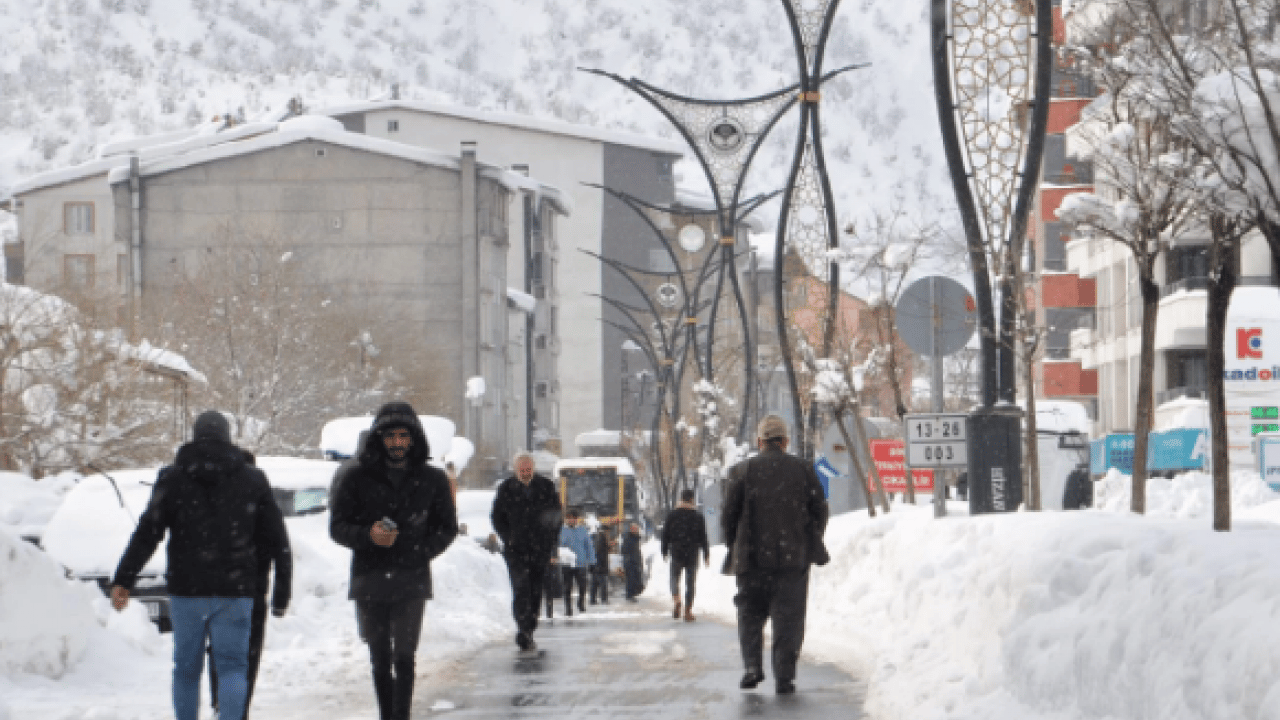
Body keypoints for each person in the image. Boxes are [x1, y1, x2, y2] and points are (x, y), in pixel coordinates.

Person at [110, 410, 291, 720]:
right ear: (228, 438)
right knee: (233, 666)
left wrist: (123, 579)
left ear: (194, 437)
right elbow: (278, 540)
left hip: (187, 590)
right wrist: (281, 594)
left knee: (186, 669)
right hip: (235, 590)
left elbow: (147, 532)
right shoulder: (252, 479)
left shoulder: (172, 477)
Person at [329, 402, 458, 720]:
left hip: (411, 577)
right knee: (379, 657)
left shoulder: (432, 479)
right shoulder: (356, 477)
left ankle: (401, 715)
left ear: (414, 438)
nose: (397, 443)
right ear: (379, 438)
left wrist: (423, 549)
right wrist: (367, 535)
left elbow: (447, 527)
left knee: (404, 655)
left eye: (403, 436)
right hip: (370, 576)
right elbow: (337, 526)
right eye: (391, 436)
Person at [722, 414, 829, 696]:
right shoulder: (803, 470)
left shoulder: (741, 471)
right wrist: (808, 538)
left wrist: (734, 544)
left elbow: (728, 517)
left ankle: (752, 668)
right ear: (785, 441)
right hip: (792, 561)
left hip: (752, 559)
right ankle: (784, 677)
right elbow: (820, 509)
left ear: (760, 442)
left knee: (750, 614)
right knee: (789, 619)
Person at [207, 449, 292, 720]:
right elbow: (282, 551)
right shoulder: (262, 502)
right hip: (251, 594)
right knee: (245, 655)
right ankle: (235, 709)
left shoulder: (215, 504)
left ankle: (223, 705)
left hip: (219, 593)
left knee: (221, 652)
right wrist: (281, 597)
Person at [490, 452, 563, 651]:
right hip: (516, 550)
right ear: (516, 470)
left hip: (540, 549)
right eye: (521, 469)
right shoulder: (506, 489)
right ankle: (522, 628)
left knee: (535, 590)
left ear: (533, 468)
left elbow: (557, 516)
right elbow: (496, 517)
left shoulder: (546, 487)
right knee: (520, 587)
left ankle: (531, 626)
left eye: (528, 469)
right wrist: (508, 537)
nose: (525, 472)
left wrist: (551, 541)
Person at [661, 488, 710, 622]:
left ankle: (677, 599)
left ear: (681, 499)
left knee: (674, 578)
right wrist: (706, 553)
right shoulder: (698, 516)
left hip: (676, 552)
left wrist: (664, 550)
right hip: (692, 554)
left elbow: (665, 534)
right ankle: (688, 611)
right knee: (690, 583)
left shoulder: (672, 515)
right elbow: (703, 537)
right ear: (691, 499)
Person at [558, 509, 595, 616]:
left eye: (574, 518)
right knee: (567, 587)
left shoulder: (582, 531)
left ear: (577, 519)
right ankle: (568, 608)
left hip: (581, 563)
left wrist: (592, 562)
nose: (571, 520)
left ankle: (581, 602)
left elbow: (589, 547)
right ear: (566, 519)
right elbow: (556, 546)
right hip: (567, 563)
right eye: (569, 518)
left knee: (582, 586)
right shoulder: (561, 531)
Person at [621, 522, 645, 602]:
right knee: (631, 579)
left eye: (637, 529)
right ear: (631, 529)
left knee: (634, 579)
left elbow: (636, 550)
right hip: (630, 561)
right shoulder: (629, 537)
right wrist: (629, 559)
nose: (637, 530)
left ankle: (631, 594)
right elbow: (625, 550)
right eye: (635, 529)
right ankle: (630, 595)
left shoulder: (634, 537)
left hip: (634, 561)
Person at [589, 529, 611, 605]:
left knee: (594, 584)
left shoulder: (596, 541)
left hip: (595, 566)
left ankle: (592, 600)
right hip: (600, 567)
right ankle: (603, 600)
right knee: (602, 584)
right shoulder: (601, 541)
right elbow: (601, 555)